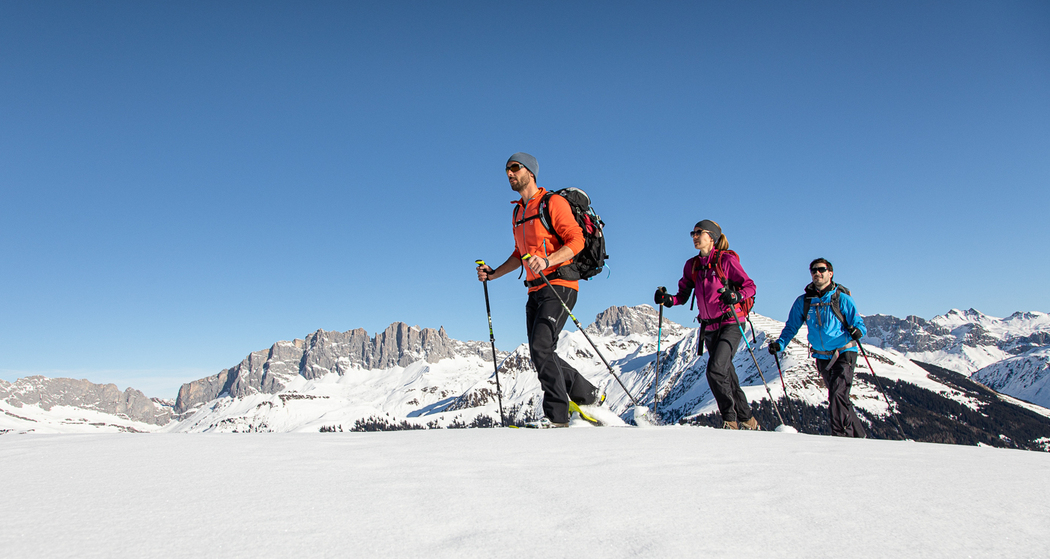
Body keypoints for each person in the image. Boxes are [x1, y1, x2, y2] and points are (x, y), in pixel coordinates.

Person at [476, 152, 602, 428]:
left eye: (514, 168)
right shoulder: (517, 212)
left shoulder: (552, 203)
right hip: (534, 290)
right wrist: (494, 274)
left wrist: (547, 260)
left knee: (541, 346)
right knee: (540, 352)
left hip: (559, 284)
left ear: (530, 172)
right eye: (506, 170)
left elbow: (576, 240)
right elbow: (519, 253)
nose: (509, 173)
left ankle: (557, 418)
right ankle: (588, 394)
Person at [654, 220, 758, 430]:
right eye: (692, 233)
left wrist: (735, 295)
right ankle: (748, 420)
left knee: (715, 370)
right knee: (727, 374)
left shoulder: (726, 260)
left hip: (731, 323)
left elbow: (750, 286)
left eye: (698, 233)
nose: (694, 236)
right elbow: (682, 296)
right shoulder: (692, 265)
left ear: (712, 237)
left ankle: (730, 420)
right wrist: (667, 300)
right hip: (709, 328)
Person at [768, 258, 867, 438]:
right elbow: (791, 326)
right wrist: (780, 344)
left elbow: (860, 325)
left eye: (821, 270)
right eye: (813, 270)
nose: (817, 273)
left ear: (831, 273)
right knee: (840, 398)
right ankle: (859, 437)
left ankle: (840, 438)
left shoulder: (842, 299)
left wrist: (856, 331)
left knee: (837, 395)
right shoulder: (804, 302)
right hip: (822, 357)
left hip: (844, 352)